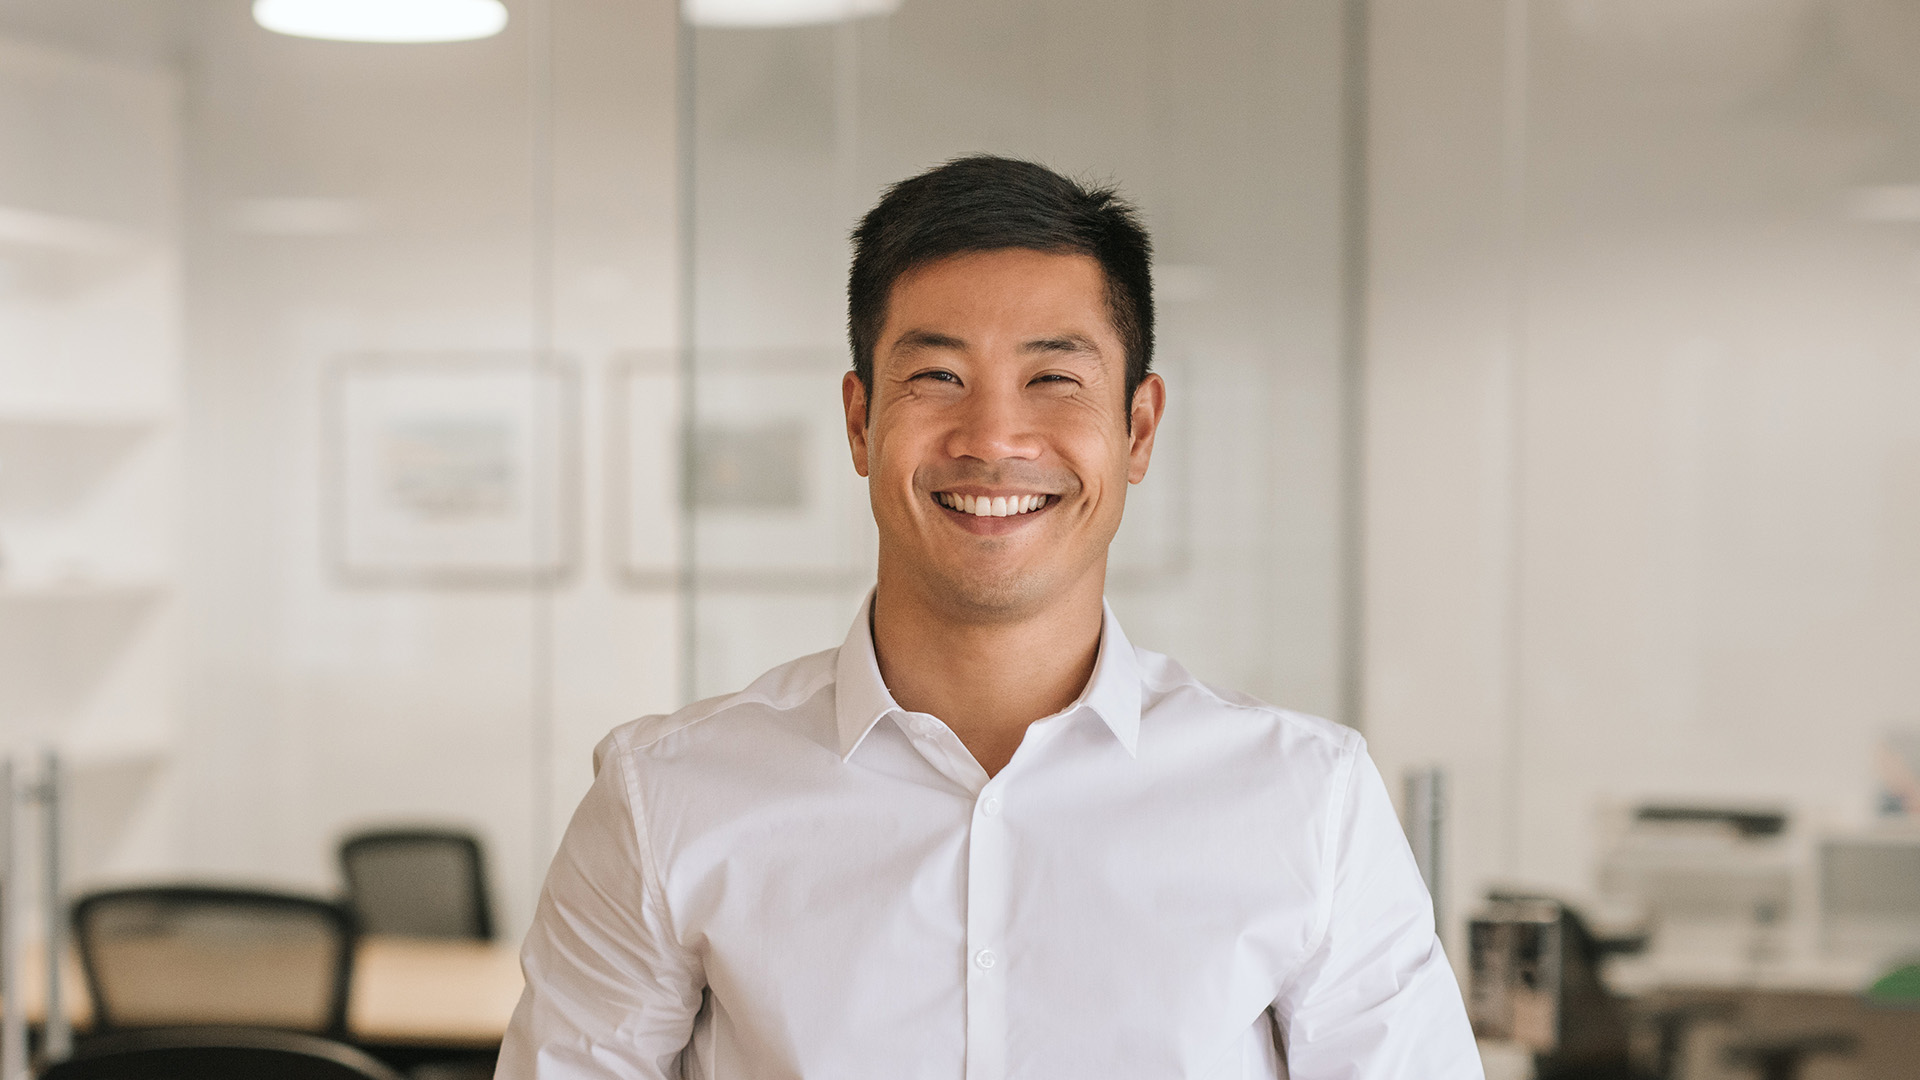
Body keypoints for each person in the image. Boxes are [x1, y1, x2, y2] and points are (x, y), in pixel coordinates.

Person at [497, 155, 1482, 1079]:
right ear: (858, 421)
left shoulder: (1309, 802)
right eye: (937, 377)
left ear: (1137, 429)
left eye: (1053, 378)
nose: (995, 438)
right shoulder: (667, 798)